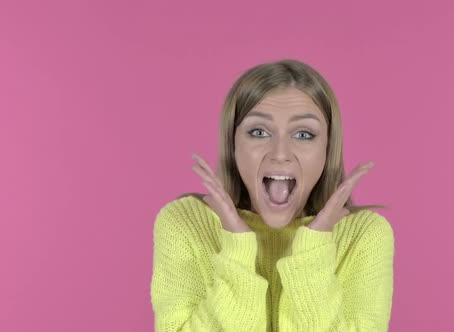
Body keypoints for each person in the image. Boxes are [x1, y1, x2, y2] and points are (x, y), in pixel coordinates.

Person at [150, 59, 395, 331]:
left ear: (328, 149)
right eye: (258, 132)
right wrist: (237, 248)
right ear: (233, 145)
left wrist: (313, 248)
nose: (280, 153)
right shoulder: (185, 224)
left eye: (303, 134)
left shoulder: (364, 236)